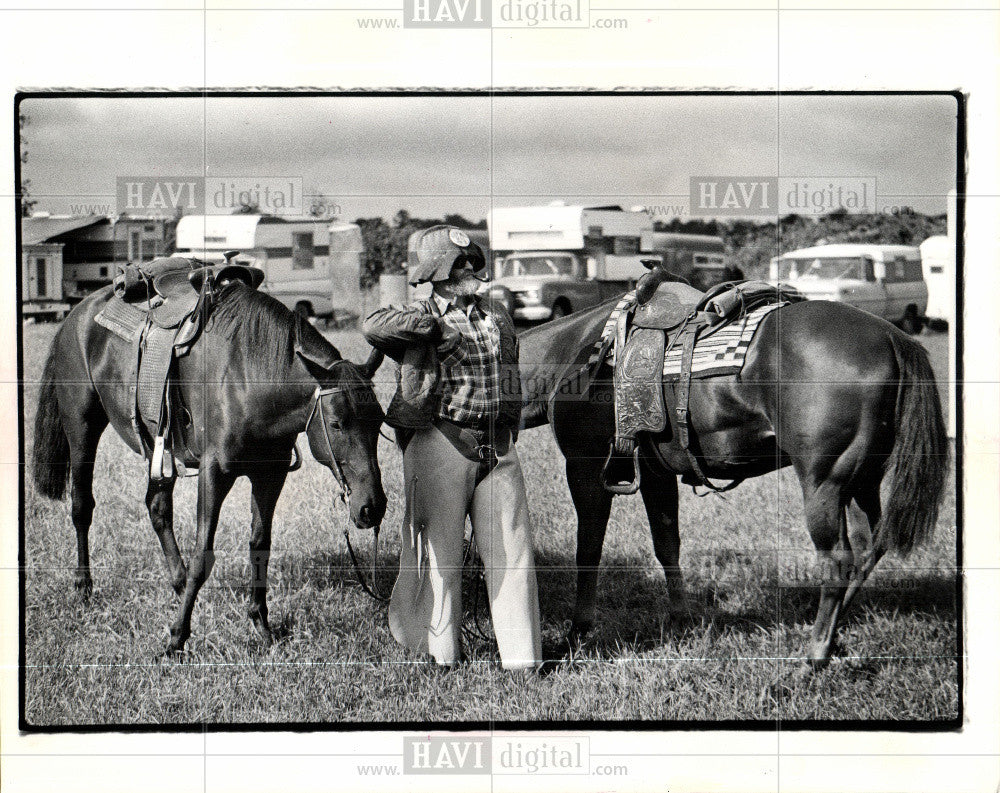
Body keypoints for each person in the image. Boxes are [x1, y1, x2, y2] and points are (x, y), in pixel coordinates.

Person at [362, 225, 542, 671]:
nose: (469, 270)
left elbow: (512, 370)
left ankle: (524, 663)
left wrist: (511, 423)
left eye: (471, 262)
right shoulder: (420, 313)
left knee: (513, 553)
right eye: (458, 263)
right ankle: (439, 655)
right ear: (437, 272)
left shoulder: (496, 313)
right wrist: (433, 329)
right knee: (435, 554)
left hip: (497, 447)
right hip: (440, 440)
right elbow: (372, 326)